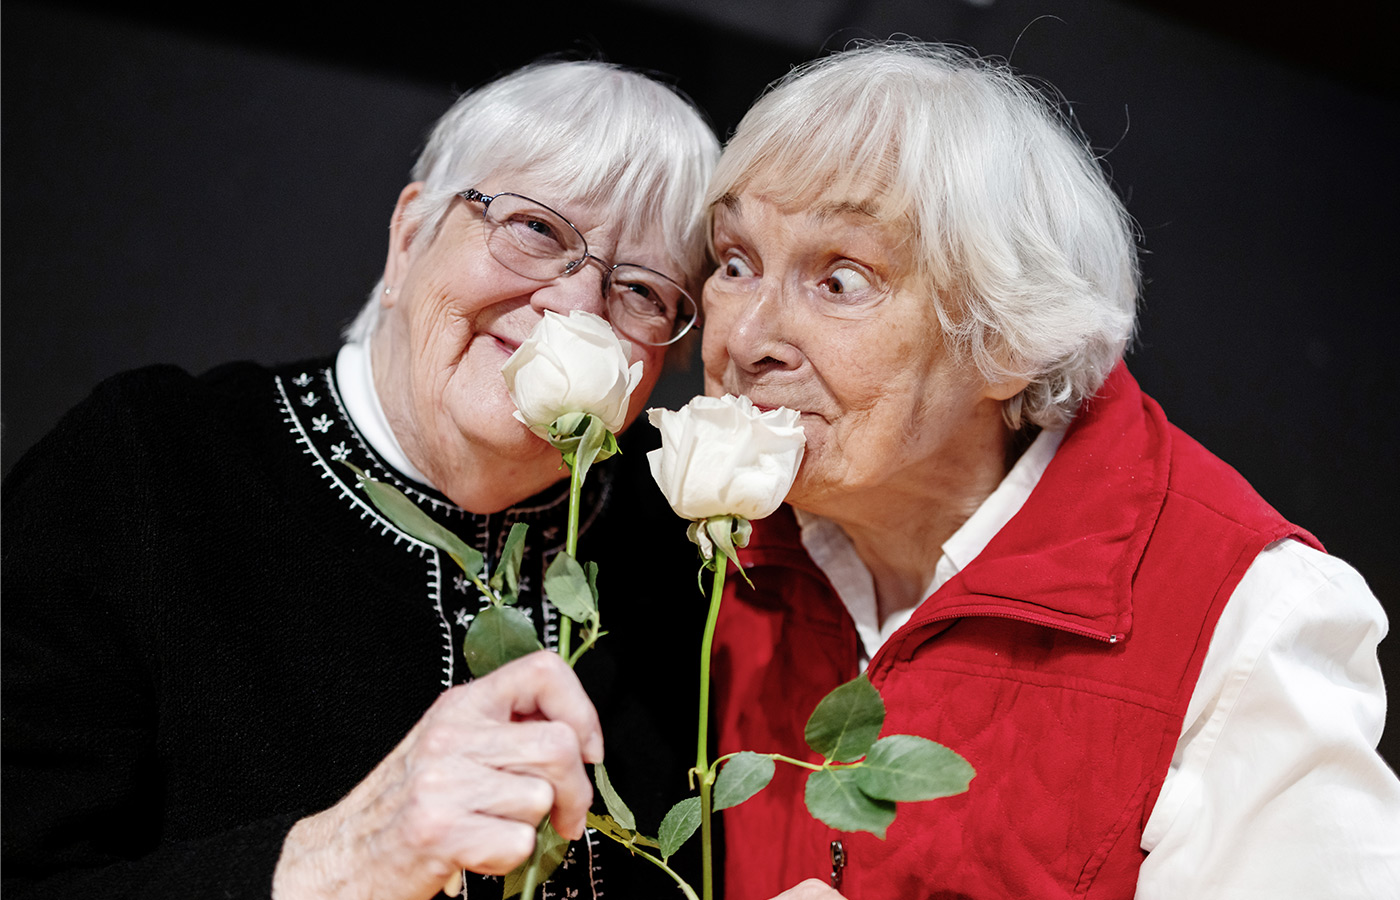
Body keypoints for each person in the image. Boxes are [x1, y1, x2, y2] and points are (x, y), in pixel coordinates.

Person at [2, 59, 719, 899]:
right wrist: (337, 860)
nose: (575, 307)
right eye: (535, 228)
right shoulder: (146, 465)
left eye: (641, 289)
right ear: (409, 238)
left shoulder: (679, 543)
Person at [699, 42, 1400, 900]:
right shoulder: (727, 548)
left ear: (1007, 341)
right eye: (735, 262)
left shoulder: (1251, 617)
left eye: (842, 279)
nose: (743, 337)